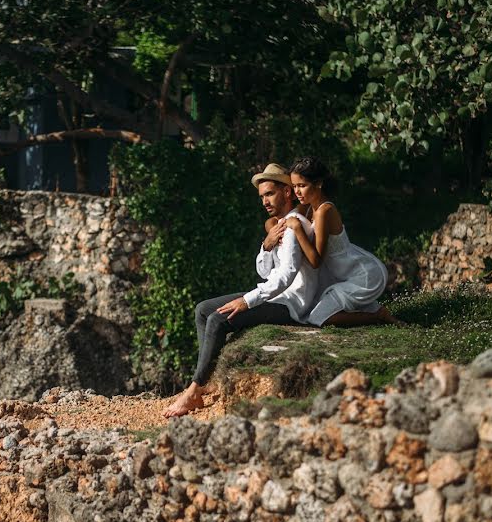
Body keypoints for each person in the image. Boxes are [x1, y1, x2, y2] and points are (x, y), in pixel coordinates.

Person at [163, 164, 319, 418]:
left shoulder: (293, 226)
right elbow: (265, 273)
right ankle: (207, 379)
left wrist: (247, 301)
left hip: (292, 304)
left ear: (288, 192)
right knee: (203, 309)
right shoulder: (279, 226)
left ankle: (193, 391)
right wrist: (266, 245)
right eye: (262, 197)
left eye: (269, 194)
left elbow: (287, 277)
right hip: (277, 294)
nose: (265, 201)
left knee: (218, 318)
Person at [283, 156, 401, 327]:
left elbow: (316, 261)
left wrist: (297, 228)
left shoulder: (324, 211)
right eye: (294, 186)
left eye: (302, 185)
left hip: (363, 275)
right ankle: (371, 310)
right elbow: (282, 217)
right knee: (314, 314)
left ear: (319, 184)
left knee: (317, 318)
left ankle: (378, 315)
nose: (297, 192)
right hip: (349, 276)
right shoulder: (311, 207)